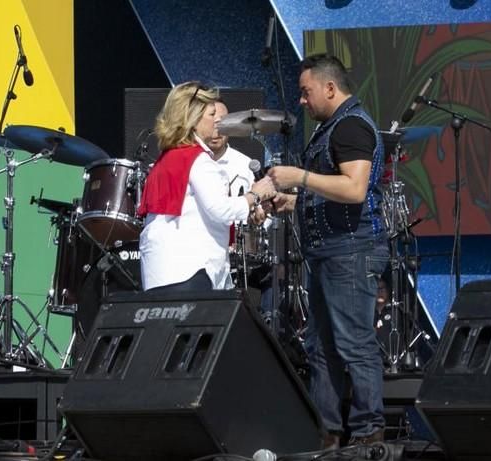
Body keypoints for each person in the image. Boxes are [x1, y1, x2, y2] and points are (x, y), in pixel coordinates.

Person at [268, 54, 388, 448]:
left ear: (330, 88)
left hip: (350, 250)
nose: (302, 101)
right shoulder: (334, 128)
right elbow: (332, 189)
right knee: (321, 347)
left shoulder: (351, 126)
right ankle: (328, 433)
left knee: (353, 343)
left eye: (306, 92)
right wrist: (294, 201)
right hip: (328, 252)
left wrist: (300, 178)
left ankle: (369, 433)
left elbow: (354, 189)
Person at [137, 81, 275, 292]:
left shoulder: (168, 158)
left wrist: (248, 210)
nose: (218, 120)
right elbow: (221, 210)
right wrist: (256, 193)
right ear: (192, 118)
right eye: (211, 114)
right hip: (189, 270)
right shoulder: (197, 160)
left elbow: (196, 212)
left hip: (161, 271)